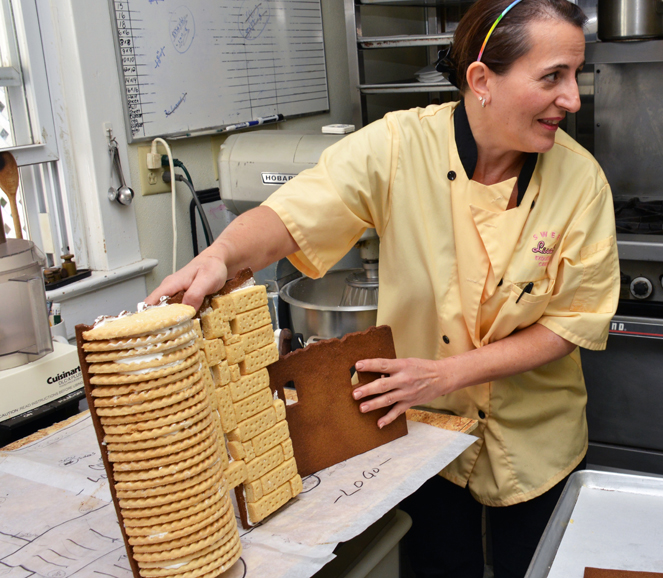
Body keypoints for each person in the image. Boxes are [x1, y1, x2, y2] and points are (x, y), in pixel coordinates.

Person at [147, 0, 619, 575]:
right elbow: (296, 212)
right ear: (481, 80)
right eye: (553, 76)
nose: (572, 97)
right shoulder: (399, 146)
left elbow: (570, 325)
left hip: (535, 441)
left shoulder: (581, 181)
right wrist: (222, 255)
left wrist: (443, 373)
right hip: (423, 433)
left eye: (574, 73)